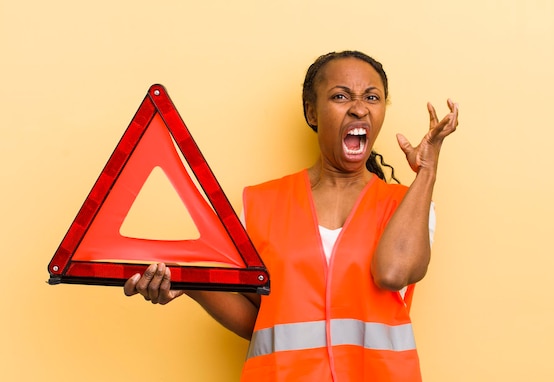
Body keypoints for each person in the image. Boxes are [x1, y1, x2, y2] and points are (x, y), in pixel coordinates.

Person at [124, 50, 458, 381]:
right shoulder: (260, 204)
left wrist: (426, 172)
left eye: (372, 97)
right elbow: (262, 320)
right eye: (341, 96)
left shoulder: (408, 205)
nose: (359, 108)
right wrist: (188, 281)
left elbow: (391, 273)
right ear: (312, 113)